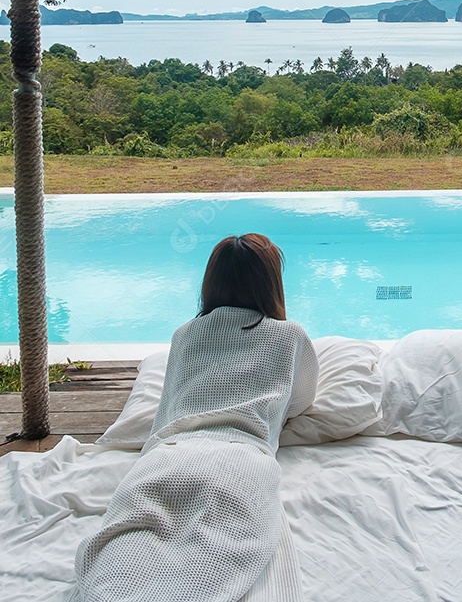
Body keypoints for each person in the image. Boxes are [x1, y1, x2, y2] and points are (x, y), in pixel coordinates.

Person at [71, 233, 319, 602]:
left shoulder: (185, 334)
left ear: (211, 282)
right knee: (214, 561)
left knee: (123, 550)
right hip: (240, 458)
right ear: (271, 284)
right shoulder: (289, 336)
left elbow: (168, 404)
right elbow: (301, 400)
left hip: (168, 454)